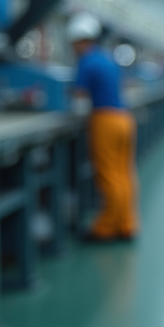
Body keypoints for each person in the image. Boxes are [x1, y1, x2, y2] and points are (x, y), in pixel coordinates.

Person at [68, 13, 140, 242]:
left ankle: (106, 228)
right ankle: (127, 224)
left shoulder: (87, 61)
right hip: (125, 119)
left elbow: (79, 93)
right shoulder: (108, 58)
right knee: (124, 174)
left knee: (108, 175)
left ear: (81, 41)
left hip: (106, 120)